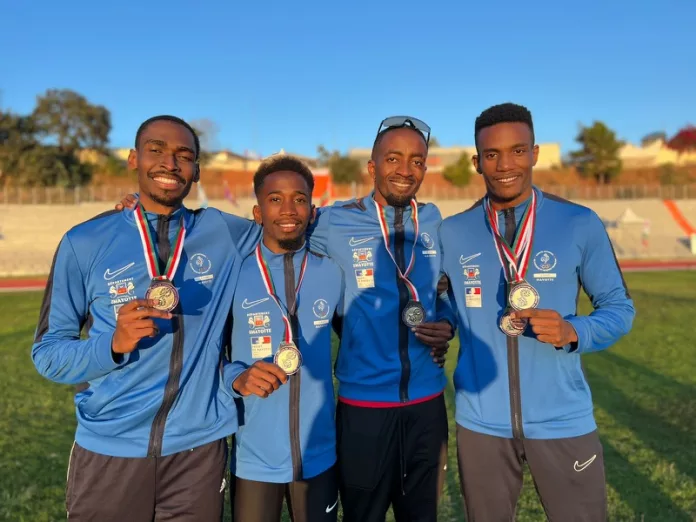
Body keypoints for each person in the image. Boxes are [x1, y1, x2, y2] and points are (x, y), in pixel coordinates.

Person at [31, 115, 260, 521]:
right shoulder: (84, 242)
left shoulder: (224, 232)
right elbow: (48, 354)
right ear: (134, 159)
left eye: (183, 156)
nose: (170, 164)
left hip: (198, 451)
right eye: (156, 150)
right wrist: (112, 346)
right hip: (110, 449)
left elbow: (289, 226)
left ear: (196, 170)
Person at [438, 103, 636, 521]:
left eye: (517, 150)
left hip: (563, 420)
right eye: (491, 154)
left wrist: (573, 331)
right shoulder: (453, 232)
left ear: (535, 153)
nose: (505, 164)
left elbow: (619, 309)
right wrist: (442, 323)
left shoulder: (578, 223)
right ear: (477, 162)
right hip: (481, 426)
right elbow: (450, 304)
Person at [308, 116, 455, 522]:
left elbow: (449, 290)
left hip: (428, 405)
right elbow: (270, 230)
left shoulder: (436, 220)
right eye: (393, 158)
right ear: (372, 167)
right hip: (363, 407)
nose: (405, 170)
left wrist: (449, 323)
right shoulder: (333, 222)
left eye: (417, 161)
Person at [224, 155, 343, 521]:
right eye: (275, 199)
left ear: (312, 208)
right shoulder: (233, 273)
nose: (289, 209)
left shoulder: (331, 270)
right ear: (258, 212)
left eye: (300, 198)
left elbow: (363, 334)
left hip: (320, 454)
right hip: (254, 457)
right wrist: (235, 378)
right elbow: (205, 354)